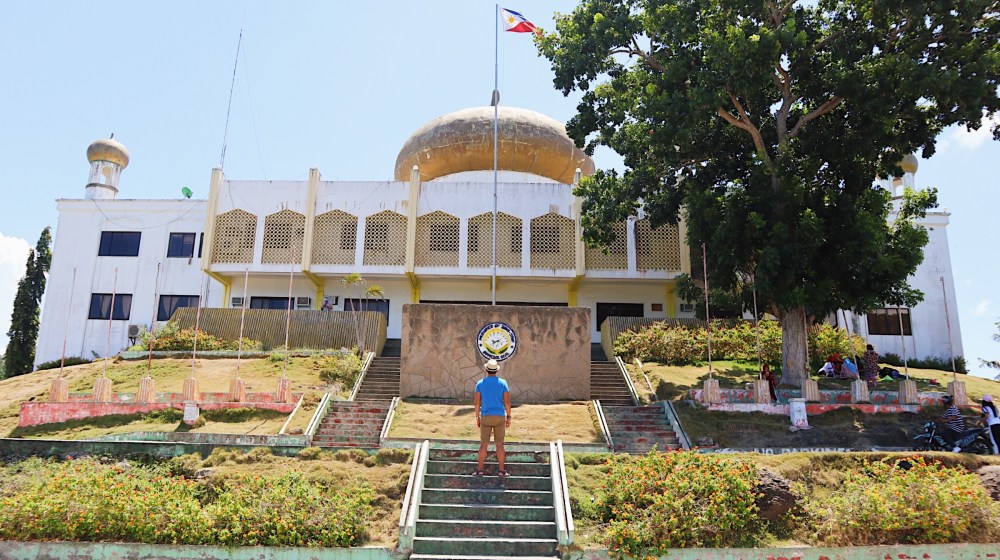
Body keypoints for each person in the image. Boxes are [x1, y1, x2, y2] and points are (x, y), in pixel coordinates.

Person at [474, 358, 512, 477]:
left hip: (485, 415)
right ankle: (501, 471)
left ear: (486, 369)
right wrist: (509, 417)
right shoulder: (503, 383)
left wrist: (477, 417)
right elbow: (507, 403)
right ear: (496, 371)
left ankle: (480, 470)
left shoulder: (480, 383)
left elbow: (477, 403)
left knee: (484, 444)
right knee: (499, 444)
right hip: (499, 415)